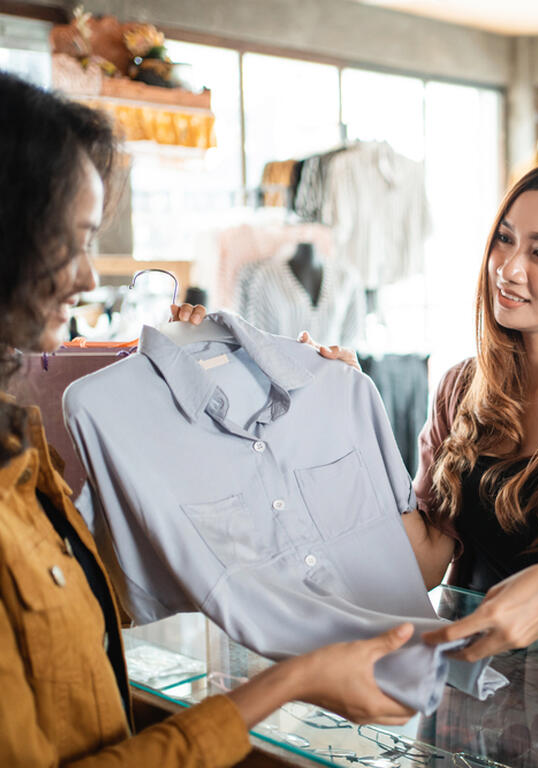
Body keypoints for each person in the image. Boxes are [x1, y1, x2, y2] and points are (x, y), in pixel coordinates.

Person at [0, 71, 415, 767]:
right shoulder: (87, 423)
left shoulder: (24, 462)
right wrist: (295, 681)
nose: (84, 278)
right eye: (67, 243)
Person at [285, 156, 538, 660]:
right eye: (504, 238)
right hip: (468, 685)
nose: (508, 267)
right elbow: (427, 561)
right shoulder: (462, 387)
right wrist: (352, 419)